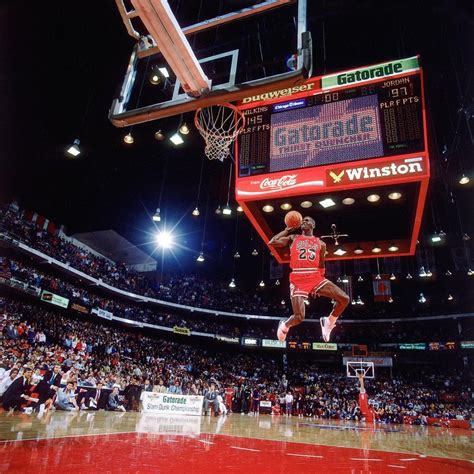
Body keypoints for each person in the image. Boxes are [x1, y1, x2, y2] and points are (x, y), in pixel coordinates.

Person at [269, 216, 349, 342]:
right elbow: (272, 242)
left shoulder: (321, 243)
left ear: (313, 225)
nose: (303, 222)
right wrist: (287, 230)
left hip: (315, 276)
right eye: (303, 221)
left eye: (306, 220)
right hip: (298, 277)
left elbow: (321, 264)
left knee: (344, 299)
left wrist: (319, 284)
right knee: (299, 317)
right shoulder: (293, 238)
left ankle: (329, 322)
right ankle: (285, 325)